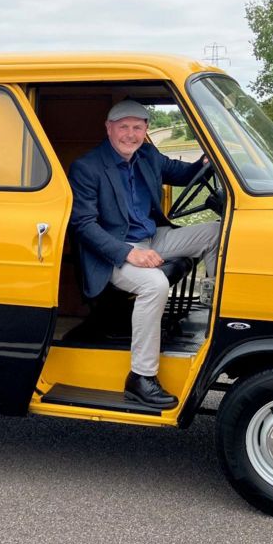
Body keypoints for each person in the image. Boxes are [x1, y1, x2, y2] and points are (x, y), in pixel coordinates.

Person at [68, 100, 220, 409]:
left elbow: (184, 173)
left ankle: (218, 311)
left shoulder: (148, 155)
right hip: (111, 250)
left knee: (218, 232)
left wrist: (211, 161)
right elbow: (83, 225)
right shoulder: (87, 167)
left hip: (153, 237)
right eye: (123, 127)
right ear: (108, 128)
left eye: (137, 127)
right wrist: (128, 254)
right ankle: (141, 377)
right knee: (155, 284)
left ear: (146, 130)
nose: (130, 134)